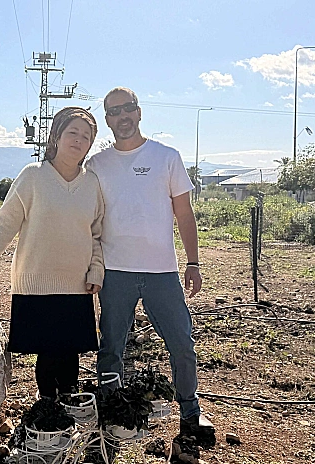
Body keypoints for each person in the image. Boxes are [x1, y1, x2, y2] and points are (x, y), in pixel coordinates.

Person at [85, 87, 215, 441]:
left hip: (161, 273)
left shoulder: (166, 157)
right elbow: (86, 217)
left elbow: (184, 213)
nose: (122, 116)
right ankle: (111, 415)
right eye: (114, 111)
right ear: (107, 120)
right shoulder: (96, 165)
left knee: (182, 343)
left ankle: (191, 414)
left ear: (139, 113)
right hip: (115, 272)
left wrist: (194, 262)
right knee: (111, 345)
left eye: (128, 108)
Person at [0, 107, 104, 399]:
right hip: (36, 283)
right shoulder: (33, 177)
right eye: (72, 133)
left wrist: (96, 271)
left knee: (70, 351)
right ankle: (46, 408)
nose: (78, 141)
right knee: (48, 352)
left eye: (86, 137)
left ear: (90, 144)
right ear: (56, 137)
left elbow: (98, 234)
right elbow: (4, 223)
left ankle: (66, 408)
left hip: (77, 284)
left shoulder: (92, 183)